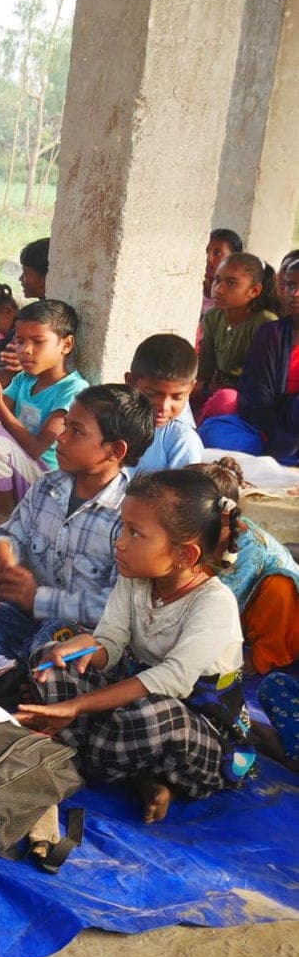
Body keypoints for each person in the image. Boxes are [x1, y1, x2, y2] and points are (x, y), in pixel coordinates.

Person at [19, 469, 250, 824]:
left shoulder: (213, 603)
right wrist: (87, 647)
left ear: (185, 554)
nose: (120, 542)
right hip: (130, 707)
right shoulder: (135, 579)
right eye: (122, 528)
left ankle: (82, 751)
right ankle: (132, 772)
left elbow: (172, 681)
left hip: (197, 731)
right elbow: (110, 647)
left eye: (135, 533)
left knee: (149, 718)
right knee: (50, 658)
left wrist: (77, 707)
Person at [0, 384, 154, 660]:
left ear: (115, 451)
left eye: (76, 431)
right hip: (24, 618)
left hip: (82, 636)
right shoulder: (46, 486)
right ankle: (28, 663)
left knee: (56, 640)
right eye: (66, 427)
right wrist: (2, 548)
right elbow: (13, 532)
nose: (61, 438)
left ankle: (25, 663)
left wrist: (39, 599)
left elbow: (114, 607)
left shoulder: (131, 516)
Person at [0, 299, 88, 540]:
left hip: (44, 480)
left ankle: (3, 512)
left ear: (66, 344)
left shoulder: (72, 390)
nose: (25, 350)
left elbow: (37, 448)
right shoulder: (24, 380)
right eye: (19, 341)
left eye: (38, 342)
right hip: (13, 468)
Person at [193, 458, 299, 677]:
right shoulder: (196, 539)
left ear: (222, 517)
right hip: (238, 623)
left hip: (276, 626)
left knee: (280, 588)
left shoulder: (251, 550)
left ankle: (261, 660)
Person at [207, 256, 299, 462]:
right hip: (266, 428)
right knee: (214, 431)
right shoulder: (270, 333)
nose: (295, 294)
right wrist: (275, 433)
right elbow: (256, 393)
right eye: (291, 285)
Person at [197, 252, 279, 419]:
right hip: (216, 389)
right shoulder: (213, 316)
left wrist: (220, 388)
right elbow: (205, 367)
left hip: (249, 399)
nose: (219, 289)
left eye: (231, 283)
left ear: (254, 291)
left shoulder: (265, 323)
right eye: (217, 280)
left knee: (225, 399)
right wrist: (202, 386)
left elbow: (263, 381)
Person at [127, 334, 204, 472]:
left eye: (177, 397)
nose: (163, 407)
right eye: (151, 394)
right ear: (130, 382)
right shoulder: (114, 420)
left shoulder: (182, 441)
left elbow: (183, 492)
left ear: (191, 389)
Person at [200, 228, 244, 316]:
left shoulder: (237, 301)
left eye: (217, 253)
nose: (209, 259)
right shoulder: (192, 290)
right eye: (206, 252)